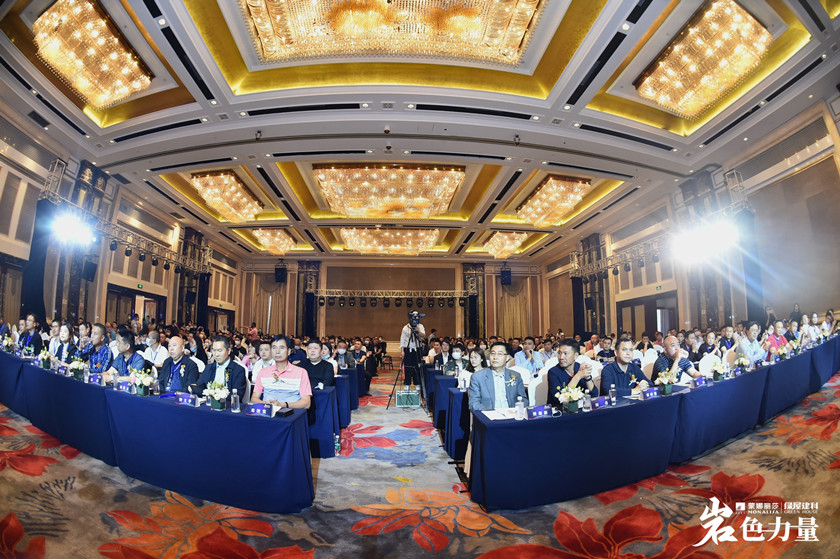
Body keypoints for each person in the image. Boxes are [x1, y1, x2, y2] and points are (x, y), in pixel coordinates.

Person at [251, 335, 312, 410]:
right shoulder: (263, 372)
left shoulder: (301, 372)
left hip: (291, 413)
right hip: (268, 411)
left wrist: (283, 405)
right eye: (274, 348)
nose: (277, 351)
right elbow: (254, 398)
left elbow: (306, 403)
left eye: (281, 348)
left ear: (289, 351)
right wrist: (266, 404)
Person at [468, 342, 528, 411]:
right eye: (492, 353)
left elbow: (523, 400)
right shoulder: (478, 377)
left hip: (512, 414)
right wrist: (492, 413)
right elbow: (473, 404)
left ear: (507, 357)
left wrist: (516, 412)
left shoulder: (515, 376)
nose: (495, 357)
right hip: (489, 414)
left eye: (500, 354)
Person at [193, 336, 248, 400]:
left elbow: (236, 395)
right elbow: (199, 387)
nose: (216, 354)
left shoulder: (238, 370)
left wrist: (216, 396)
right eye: (214, 350)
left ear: (228, 351)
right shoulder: (209, 368)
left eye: (220, 350)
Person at [547, 339, 598, 407]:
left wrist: (587, 377)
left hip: (581, 408)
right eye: (559, 353)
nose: (561, 357)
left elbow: (594, 394)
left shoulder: (579, 367)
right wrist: (578, 376)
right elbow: (559, 399)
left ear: (576, 356)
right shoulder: (553, 372)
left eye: (565, 353)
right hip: (560, 410)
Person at [400, 311, 426, 386]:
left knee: (417, 367)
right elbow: (402, 339)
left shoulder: (420, 326)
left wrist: (418, 331)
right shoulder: (406, 327)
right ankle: (407, 384)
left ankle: (417, 384)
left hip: (417, 348)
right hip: (408, 348)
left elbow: (423, 336)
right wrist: (402, 351)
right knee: (407, 367)